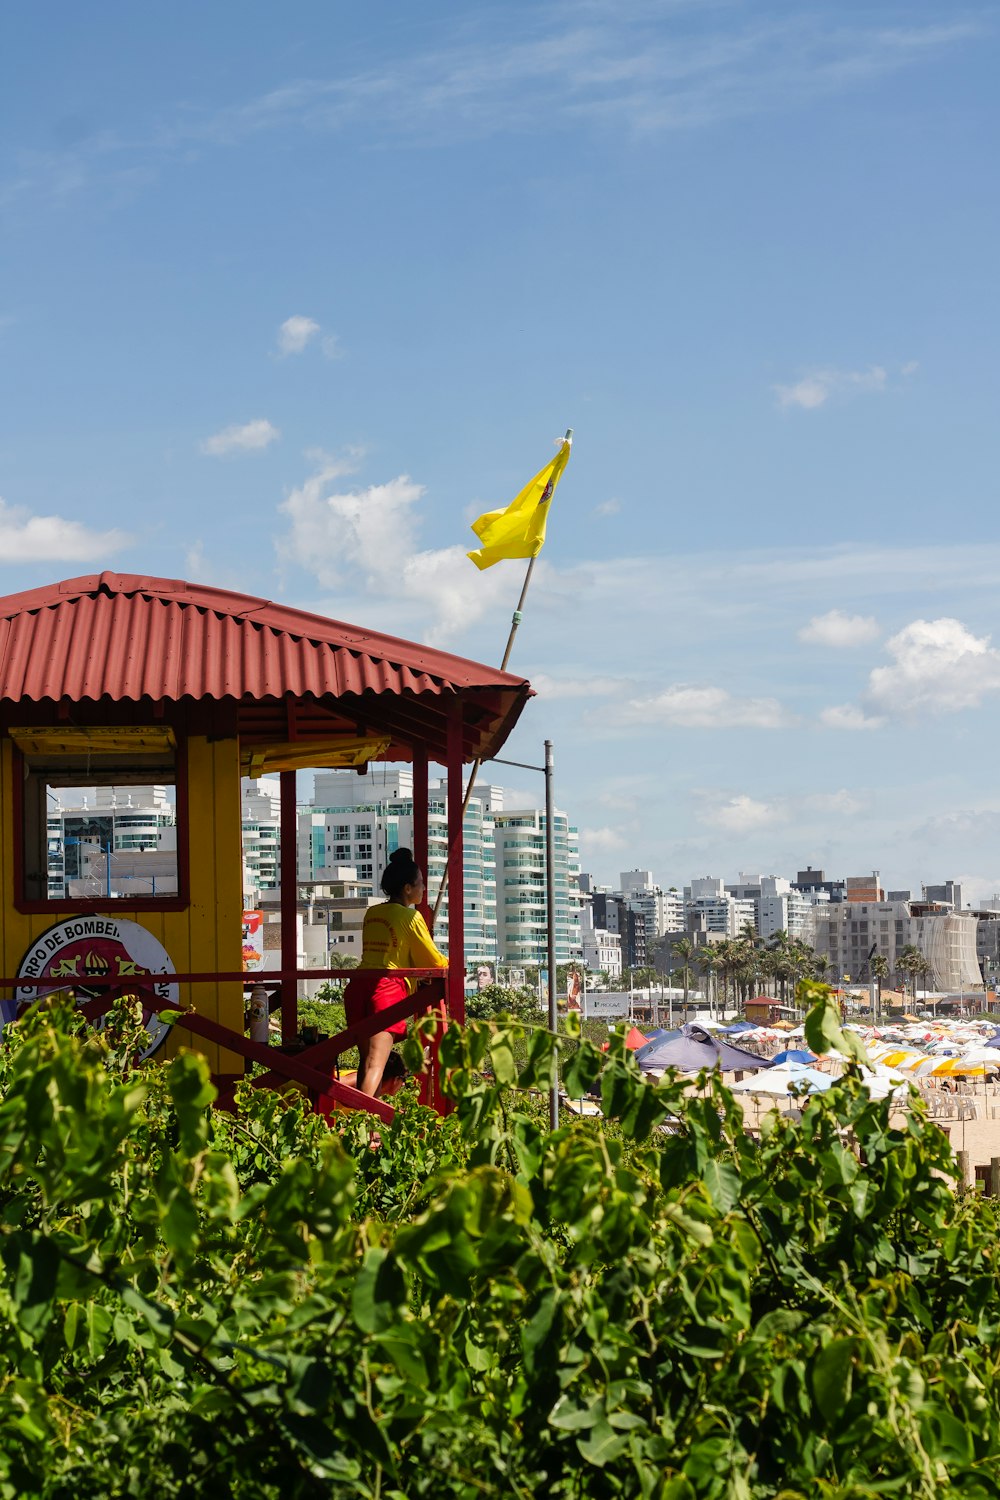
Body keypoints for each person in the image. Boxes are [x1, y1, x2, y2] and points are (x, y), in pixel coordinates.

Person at [343, 848, 447, 1097]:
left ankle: (367, 1129)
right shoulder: (411, 917)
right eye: (420, 883)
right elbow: (433, 961)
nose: (424, 888)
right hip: (386, 991)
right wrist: (450, 963)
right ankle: (366, 1124)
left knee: (365, 1063)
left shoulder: (373, 913)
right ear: (407, 888)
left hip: (358, 988)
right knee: (375, 1065)